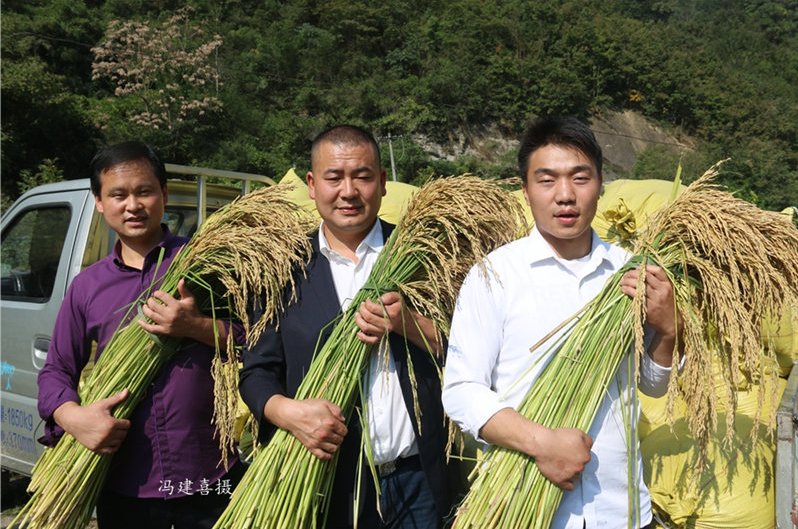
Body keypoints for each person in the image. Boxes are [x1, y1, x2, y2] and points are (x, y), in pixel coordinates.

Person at [442, 116, 682, 528]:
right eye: (547, 180)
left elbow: (651, 385)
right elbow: (462, 391)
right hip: (524, 508)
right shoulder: (494, 275)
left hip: (620, 509)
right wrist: (543, 444)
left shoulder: (631, 272)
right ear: (525, 189)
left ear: (601, 183)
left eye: (580, 178)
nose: (565, 195)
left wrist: (668, 329)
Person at [239, 125, 457, 528]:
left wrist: (407, 323)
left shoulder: (425, 259)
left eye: (363, 176)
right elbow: (256, 373)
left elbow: (464, 350)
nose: (349, 191)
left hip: (416, 481)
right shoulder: (282, 268)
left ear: (383, 183)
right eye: (334, 177)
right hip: (320, 478)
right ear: (312, 184)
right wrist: (289, 413)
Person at [37, 141, 246, 529]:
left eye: (144, 191)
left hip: (208, 474)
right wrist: (71, 417)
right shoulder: (87, 287)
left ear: (163, 194)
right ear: (100, 202)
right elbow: (57, 370)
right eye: (118, 194)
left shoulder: (205, 266)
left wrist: (195, 327)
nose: (132, 205)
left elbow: (256, 341)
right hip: (123, 481)